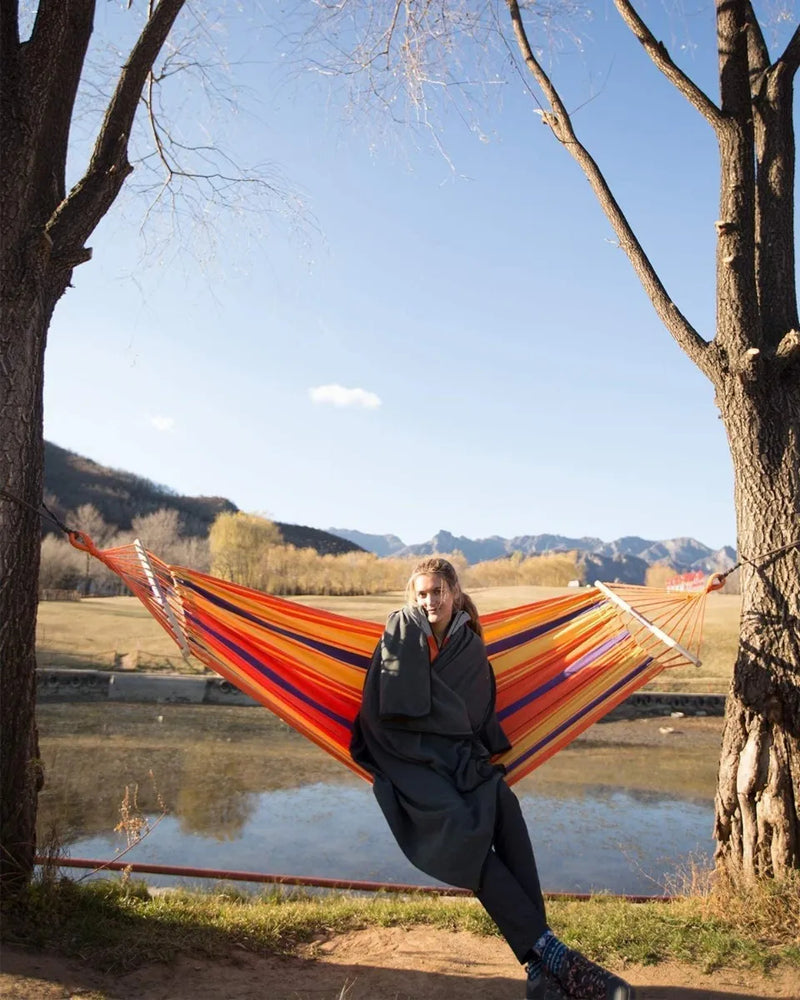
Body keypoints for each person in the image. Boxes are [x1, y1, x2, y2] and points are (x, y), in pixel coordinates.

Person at [350, 556, 635, 1000]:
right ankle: (552, 956)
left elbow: (474, 713)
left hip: (461, 758)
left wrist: (463, 740)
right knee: (463, 832)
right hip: (409, 760)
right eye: (422, 593)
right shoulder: (403, 628)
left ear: (455, 594)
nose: (429, 601)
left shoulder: (469, 644)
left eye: (438, 592)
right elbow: (397, 705)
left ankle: (540, 972)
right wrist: (448, 724)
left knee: (506, 808)